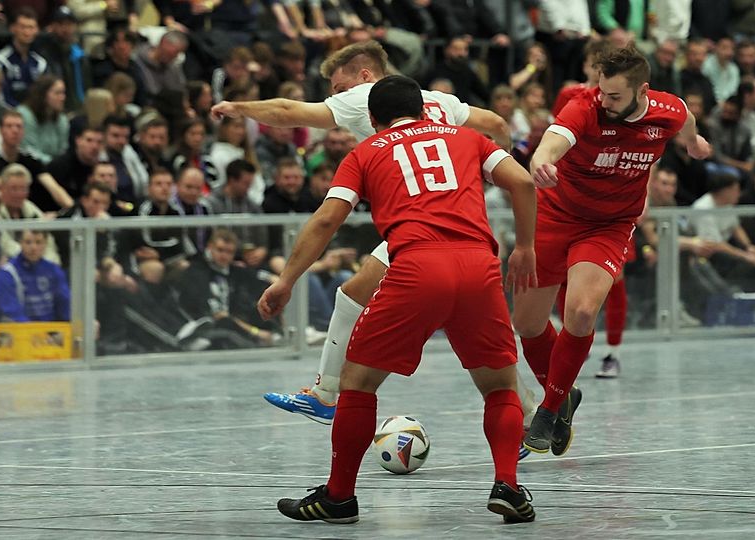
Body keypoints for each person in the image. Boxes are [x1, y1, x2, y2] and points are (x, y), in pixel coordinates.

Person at [256, 75, 537, 525]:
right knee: (500, 386)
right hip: (478, 267)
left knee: (356, 382)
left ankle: (339, 497)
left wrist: (286, 279)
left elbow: (327, 219)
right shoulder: (466, 138)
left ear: (372, 119)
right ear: (424, 110)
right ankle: (509, 485)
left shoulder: (366, 151)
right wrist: (524, 247)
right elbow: (522, 182)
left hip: (416, 268)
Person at [210, 40, 537, 426]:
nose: (336, 97)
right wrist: (495, 163)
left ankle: (327, 395)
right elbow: (497, 124)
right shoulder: (437, 100)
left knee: (393, 327)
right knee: (461, 331)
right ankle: (531, 413)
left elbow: (287, 111)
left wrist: (238, 108)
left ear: (366, 76)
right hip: (462, 224)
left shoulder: (363, 98)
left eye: (338, 87)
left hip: (419, 229)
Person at [514, 44, 711, 455]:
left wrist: (694, 143)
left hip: (609, 224)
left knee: (582, 311)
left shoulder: (668, 110)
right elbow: (553, 141)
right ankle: (565, 395)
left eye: (615, 96)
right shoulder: (585, 106)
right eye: (602, 91)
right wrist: (541, 162)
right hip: (555, 215)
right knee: (528, 324)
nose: (605, 101)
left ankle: (548, 409)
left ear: (643, 90)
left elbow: (687, 121)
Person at [0, 229, 70, 322]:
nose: (33, 247)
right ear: (20, 243)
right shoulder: (7, 273)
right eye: (28, 242)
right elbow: (11, 311)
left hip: (51, 328)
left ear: (45, 244)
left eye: (38, 242)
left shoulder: (53, 270)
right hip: (20, 328)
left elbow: (65, 304)